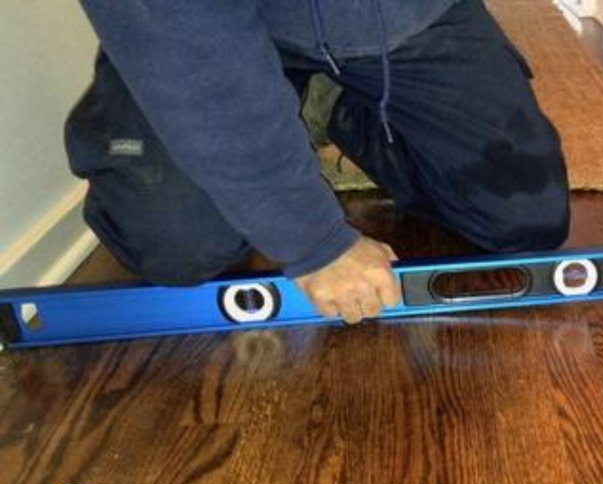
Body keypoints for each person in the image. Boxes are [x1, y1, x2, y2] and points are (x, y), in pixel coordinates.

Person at [66, 0, 570, 324]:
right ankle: (279, 105)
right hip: (209, 37)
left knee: (524, 214)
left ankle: (331, 105)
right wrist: (313, 243)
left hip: (401, 17)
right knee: (177, 240)